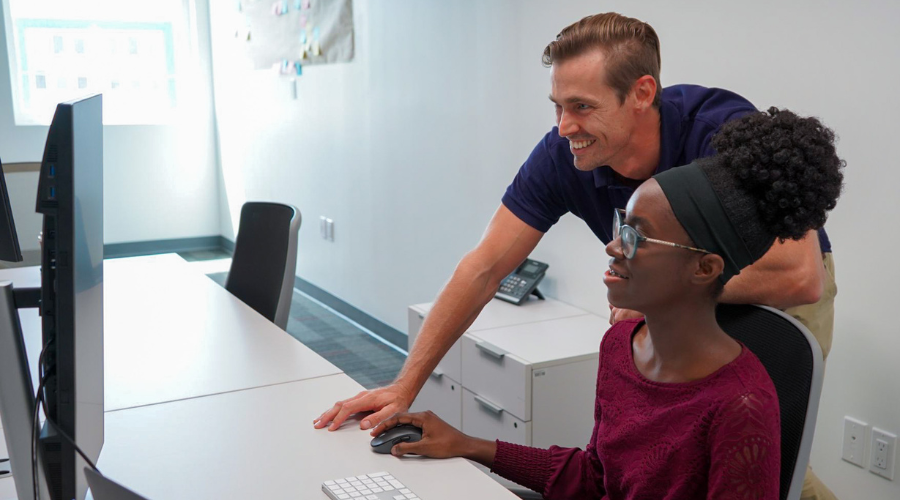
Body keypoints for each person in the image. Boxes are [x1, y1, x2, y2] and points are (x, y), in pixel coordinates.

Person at [314, 11, 838, 499]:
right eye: (558, 106)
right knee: (652, 457)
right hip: (667, 289)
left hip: (768, 281)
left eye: (582, 107)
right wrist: (404, 387)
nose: (564, 126)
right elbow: (484, 267)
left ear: (641, 93)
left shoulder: (716, 131)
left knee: (766, 452)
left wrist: (663, 296)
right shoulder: (565, 154)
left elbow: (801, 276)